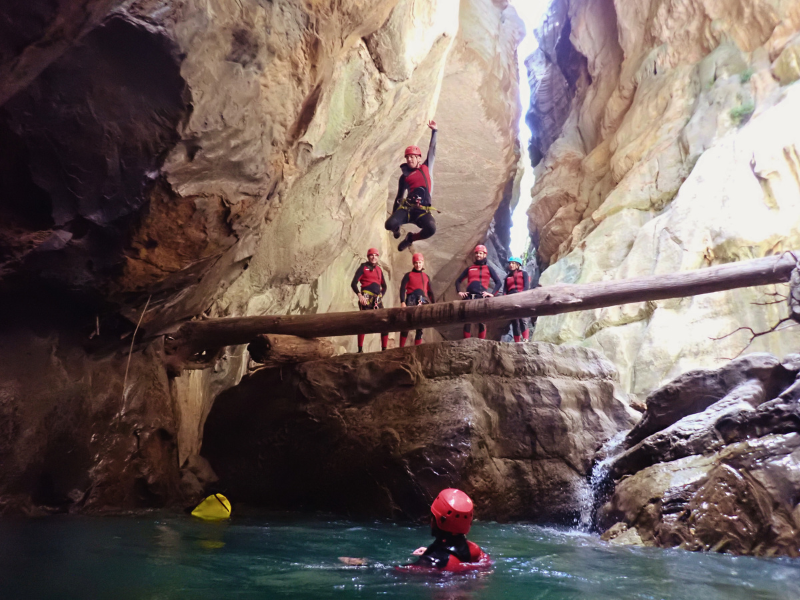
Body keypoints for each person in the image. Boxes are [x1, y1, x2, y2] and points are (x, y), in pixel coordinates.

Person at [402, 488, 489, 572]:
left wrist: (431, 556)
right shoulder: (476, 551)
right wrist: (431, 551)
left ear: (435, 520)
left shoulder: (430, 562)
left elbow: (399, 573)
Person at [385, 120, 438, 252]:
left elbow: (432, 150)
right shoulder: (404, 177)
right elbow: (399, 197)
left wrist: (434, 131)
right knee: (389, 224)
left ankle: (410, 239)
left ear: (419, 158)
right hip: (408, 210)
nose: (409, 159)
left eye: (413, 157)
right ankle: (396, 229)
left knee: (431, 228)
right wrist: (394, 218)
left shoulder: (426, 167)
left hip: (422, 211)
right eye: (407, 157)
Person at [454, 245, 503, 339]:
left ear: (485, 255)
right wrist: (459, 292)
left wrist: (492, 294)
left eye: (480, 253)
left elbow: (498, 283)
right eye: (476, 253)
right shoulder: (470, 268)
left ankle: (481, 343)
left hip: (481, 297)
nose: (478, 255)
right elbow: (458, 281)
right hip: (469, 297)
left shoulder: (488, 269)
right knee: (467, 321)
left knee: (482, 321)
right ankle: (465, 342)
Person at [351, 247, 388, 353]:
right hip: (366, 297)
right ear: (368, 257)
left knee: (385, 322)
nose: (374, 257)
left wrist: (381, 295)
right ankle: (360, 350)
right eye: (371, 255)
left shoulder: (379, 270)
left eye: (376, 255)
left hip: (377, 299)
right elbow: (353, 283)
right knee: (363, 323)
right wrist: (360, 296)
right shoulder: (363, 267)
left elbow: (384, 286)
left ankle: (384, 350)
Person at [398, 252, 435, 347]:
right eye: (416, 263)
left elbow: (430, 292)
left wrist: (434, 304)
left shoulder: (426, 277)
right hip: (411, 300)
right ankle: (401, 348)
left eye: (420, 262)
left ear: (423, 263)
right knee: (406, 324)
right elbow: (402, 289)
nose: (418, 265)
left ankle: (416, 349)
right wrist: (402, 302)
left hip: (423, 301)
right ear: (413, 264)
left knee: (420, 327)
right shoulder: (408, 275)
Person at [503, 256, 530, 342]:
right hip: (511, 298)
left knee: (522, 318)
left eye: (513, 263)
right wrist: (505, 298)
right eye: (510, 263)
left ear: (518, 265)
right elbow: (505, 290)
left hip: (521, 296)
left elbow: (526, 286)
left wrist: (523, 295)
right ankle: (517, 341)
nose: (511, 265)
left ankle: (525, 338)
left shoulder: (524, 273)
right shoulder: (507, 277)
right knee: (514, 321)